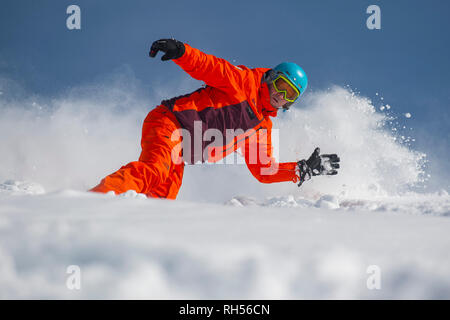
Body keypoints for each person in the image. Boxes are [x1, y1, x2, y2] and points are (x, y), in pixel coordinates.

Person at [90, 39, 340, 199]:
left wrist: (301, 169)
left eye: (290, 95)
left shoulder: (262, 128)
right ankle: (94, 201)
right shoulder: (242, 82)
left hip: (180, 153)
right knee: (153, 171)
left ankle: (121, 231)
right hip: (169, 123)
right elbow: (208, 66)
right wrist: (181, 51)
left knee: (161, 200)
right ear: (271, 78)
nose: (280, 95)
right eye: (281, 85)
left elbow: (264, 170)